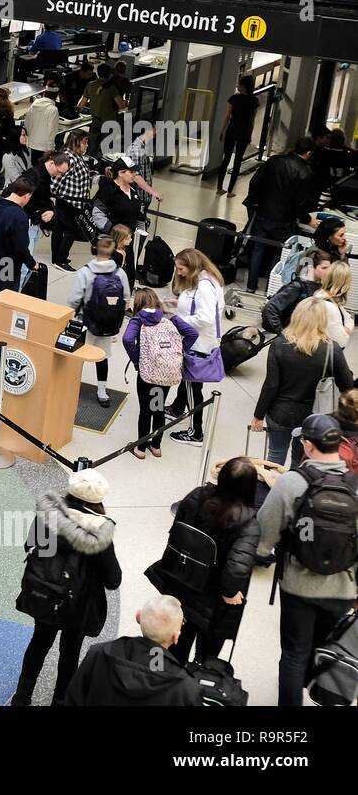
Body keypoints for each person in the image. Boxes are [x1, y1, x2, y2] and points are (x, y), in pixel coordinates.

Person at [256, 412, 358, 705]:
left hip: (298, 585)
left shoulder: (291, 482)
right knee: (324, 646)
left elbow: (266, 532)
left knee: (293, 654)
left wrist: (262, 554)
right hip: (342, 589)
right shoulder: (355, 487)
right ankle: (319, 690)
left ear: (309, 446)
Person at [10, 469, 122, 706]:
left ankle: (21, 697)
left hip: (45, 594)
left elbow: (28, 545)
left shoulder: (49, 515)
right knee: (70, 653)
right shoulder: (98, 533)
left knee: (38, 643)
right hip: (78, 605)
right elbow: (113, 580)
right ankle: (60, 701)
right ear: (98, 500)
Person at [146, 457, 262, 663]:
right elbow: (236, 567)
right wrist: (229, 592)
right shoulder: (248, 523)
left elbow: (176, 531)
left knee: (173, 649)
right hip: (213, 600)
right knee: (205, 658)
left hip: (181, 580)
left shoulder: (197, 497)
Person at [254, 297, 353, 466]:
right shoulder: (331, 349)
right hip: (313, 416)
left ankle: (271, 490)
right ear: (323, 320)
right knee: (301, 462)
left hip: (280, 413)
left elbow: (271, 385)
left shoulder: (279, 344)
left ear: (296, 315)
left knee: (274, 459)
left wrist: (258, 415)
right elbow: (347, 386)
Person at [63, 595, 202, 706]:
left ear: (138, 617)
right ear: (175, 637)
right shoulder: (186, 689)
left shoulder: (98, 654)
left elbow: (73, 699)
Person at [123, 287, 199, 459]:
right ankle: (156, 446)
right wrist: (179, 351)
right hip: (166, 372)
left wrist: (137, 359)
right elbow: (192, 333)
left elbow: (127, 339)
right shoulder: (169, 317)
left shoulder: (137, 320)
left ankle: (140, 448)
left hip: (147, 375)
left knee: (145, 410)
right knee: (157, 407)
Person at [244, 137, 322, 294]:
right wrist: (308, 219)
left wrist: (255, 202)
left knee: (258, 249)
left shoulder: (274, 161)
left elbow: (255, 181)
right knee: (279, 253)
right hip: (285, 219)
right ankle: (271, 288)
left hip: (264, 212)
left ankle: (251, 286)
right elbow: (301, 203)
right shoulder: (305, 173)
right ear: (308, 153)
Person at [167, 248, 226, 445]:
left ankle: (195, 432)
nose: (179, 272)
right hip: (198, 340)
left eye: (181, 268)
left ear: (192, 266)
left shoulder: (205, 286)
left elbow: (206, 318)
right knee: (187, 380)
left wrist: (178, 320)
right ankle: (177, 408)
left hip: (198, 343)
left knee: (193, 387)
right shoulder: (205, 280)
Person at [68, 235, 130, 408]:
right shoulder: (120, 273)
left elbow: (73, 299)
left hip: (85, 321)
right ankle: (102, 391)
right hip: (108, 324)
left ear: (93, 250)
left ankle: (71, 388)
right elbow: (125, 298)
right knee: (102, 357)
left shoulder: (85, 272)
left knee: (76, 355)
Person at [0, 177, 38, 296]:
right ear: (26, 196)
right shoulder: (19, 215)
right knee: (5, 298)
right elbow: (21, 247)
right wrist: (31, 263)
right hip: (7, 264)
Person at [21, 151, 69, 289]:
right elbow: (22, 199)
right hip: (27, 223)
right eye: (59, 172)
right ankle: (11, 301)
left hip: (34, 224)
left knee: (26, 267)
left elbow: (43, 198)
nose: (59, 176)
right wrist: (43, 211)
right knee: (24, 266)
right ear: (52, 162)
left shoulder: (45, 176)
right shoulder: (33, 175)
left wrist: (48, 210)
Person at [93, 155, 146, 277]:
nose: (134, 174)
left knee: (129, 273)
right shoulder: (108, 190)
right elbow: (97, 213)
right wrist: (113, 230)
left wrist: (140, 230)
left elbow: (138, 213)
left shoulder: (133, 190)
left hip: (128, 240)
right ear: (121, 173)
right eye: (131, 172)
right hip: (112, 242)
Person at [50, 130, 94, 271]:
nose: (86, 146)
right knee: (71, 229)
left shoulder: (75, 156)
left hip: (72, 201)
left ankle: (56, 258)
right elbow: (56, 178)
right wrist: (52, 195)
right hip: (67, 201)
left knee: (59, 228)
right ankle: (60, 259)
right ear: (76, 142)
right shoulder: (68, 158)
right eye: (84, 142)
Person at [262, 247, 330, 333]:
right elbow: (270, 308)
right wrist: (282, 333)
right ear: (311, 267)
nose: (328, 272)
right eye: (324, 268)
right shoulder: (297, 286)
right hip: (290, 336)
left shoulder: (320, 286)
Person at [212, 76, 260, 196]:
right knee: (237, 162)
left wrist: (222, 131)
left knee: (226, 159)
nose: (237, 86)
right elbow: (252, 121)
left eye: (238, 84)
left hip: (232, 131)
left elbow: (227, 117)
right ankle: (230, 191)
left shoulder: (233, 99)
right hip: (244, 133)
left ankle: (219, 188)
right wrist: (249, 135)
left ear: (243, 86)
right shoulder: (254, 101)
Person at [79, 63, 126, 158]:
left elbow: (81, 104)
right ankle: (105, 169)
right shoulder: (112, 88)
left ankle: (91, 167)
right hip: (109, 122)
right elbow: (121, 106)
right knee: (108, 150)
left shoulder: (90, 85)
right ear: (109, 74)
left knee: (91, 148)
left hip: (95, 121)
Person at [313, 259, 353, 346]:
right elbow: (341, 342)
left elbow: (348, 317)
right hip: (325, 354)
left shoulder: (323, 296)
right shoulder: (329, 306)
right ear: (344, 284)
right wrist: (346, 330)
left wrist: (346, 328)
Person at [23, 83, 60, 161]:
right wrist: (50, 149)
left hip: (31, 145)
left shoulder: (33, 105)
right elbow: (52, 132)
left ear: (44, 93)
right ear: (56, 95)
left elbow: (27, 124)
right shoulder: (53, 110)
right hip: (44, 149)